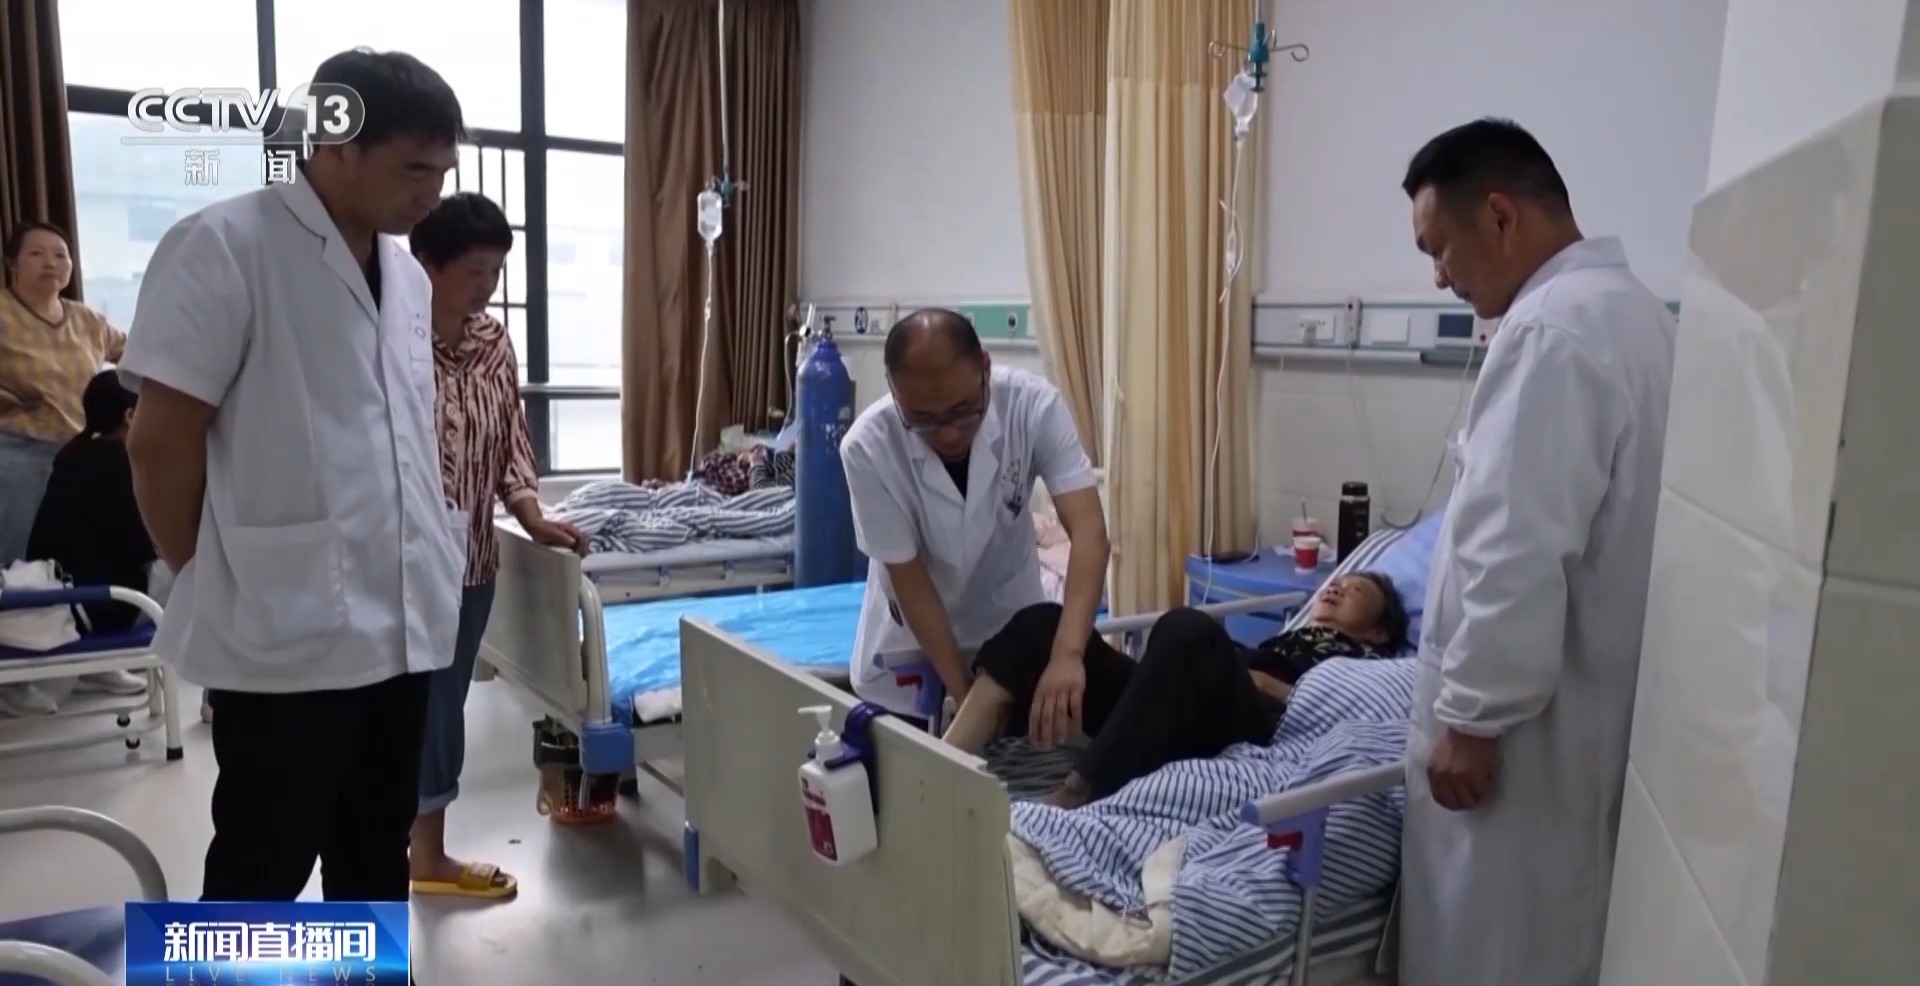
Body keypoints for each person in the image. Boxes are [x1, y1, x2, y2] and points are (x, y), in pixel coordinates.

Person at [119, 48, 467, 905]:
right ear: (335, 142)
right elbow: (159, 443)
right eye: (414, 169)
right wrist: (205, 567)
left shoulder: (407, 275)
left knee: (374, 854)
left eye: (443, 171)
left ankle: (373, 969)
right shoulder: (224, 244)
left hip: (402, 627)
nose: (432, 193)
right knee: (260, 865)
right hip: (284, 634)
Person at [1394, 118, 1675, 986]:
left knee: (1490, 949)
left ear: (1501, 217)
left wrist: (1471, 720)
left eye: (1438, 248)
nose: (1437, 276)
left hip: (1519, 754)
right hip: (1586, 726)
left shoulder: (1550, 332)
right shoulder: (1638, 317)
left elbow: (1514, 547)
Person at [406, 191, 585, 900]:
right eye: (474, 271)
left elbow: (510, 436)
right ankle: (384, 847)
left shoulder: (491, 342)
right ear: (427, 265)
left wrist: (532, 515)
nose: (487, 287)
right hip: (398, 561)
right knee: (394, 710)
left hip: (472, 560)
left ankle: (426, 853)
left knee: (440, 707)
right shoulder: (392, 340)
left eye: (496, 271)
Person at [842, 308, 1109, 746]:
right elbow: (911, 583)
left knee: (1018, 773)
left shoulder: (1032, 407)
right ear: (893, 390)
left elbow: (1090, 534)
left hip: (1010, 634)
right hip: (910, 652)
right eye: (923, 419)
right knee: (918, 776)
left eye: (964, 411)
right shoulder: (868, 447)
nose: (947, 434)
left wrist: (1068, 652)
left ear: (984, 367)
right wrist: (965, 692)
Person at [950, 572, 1410, 808]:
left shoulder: (1372, 665)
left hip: (1245, 724)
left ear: (1379, 631)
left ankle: (1082, 788)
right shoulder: (1291, 635)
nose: (1336, 588)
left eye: (1355, 591)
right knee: (1047, 622)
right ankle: (945, 760)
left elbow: (1341, 714)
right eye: (1336, 582)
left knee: (1189, 627)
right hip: (1187, 694)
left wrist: (1269, 684)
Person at [0, 222, 128, 568]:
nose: (50, 263)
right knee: (19, 561)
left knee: (83, 553)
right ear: (12, 262)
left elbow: (137, 356)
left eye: (61, 255)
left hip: (79, 452)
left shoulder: (88, 320)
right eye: (36, 253)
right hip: (17, 453)